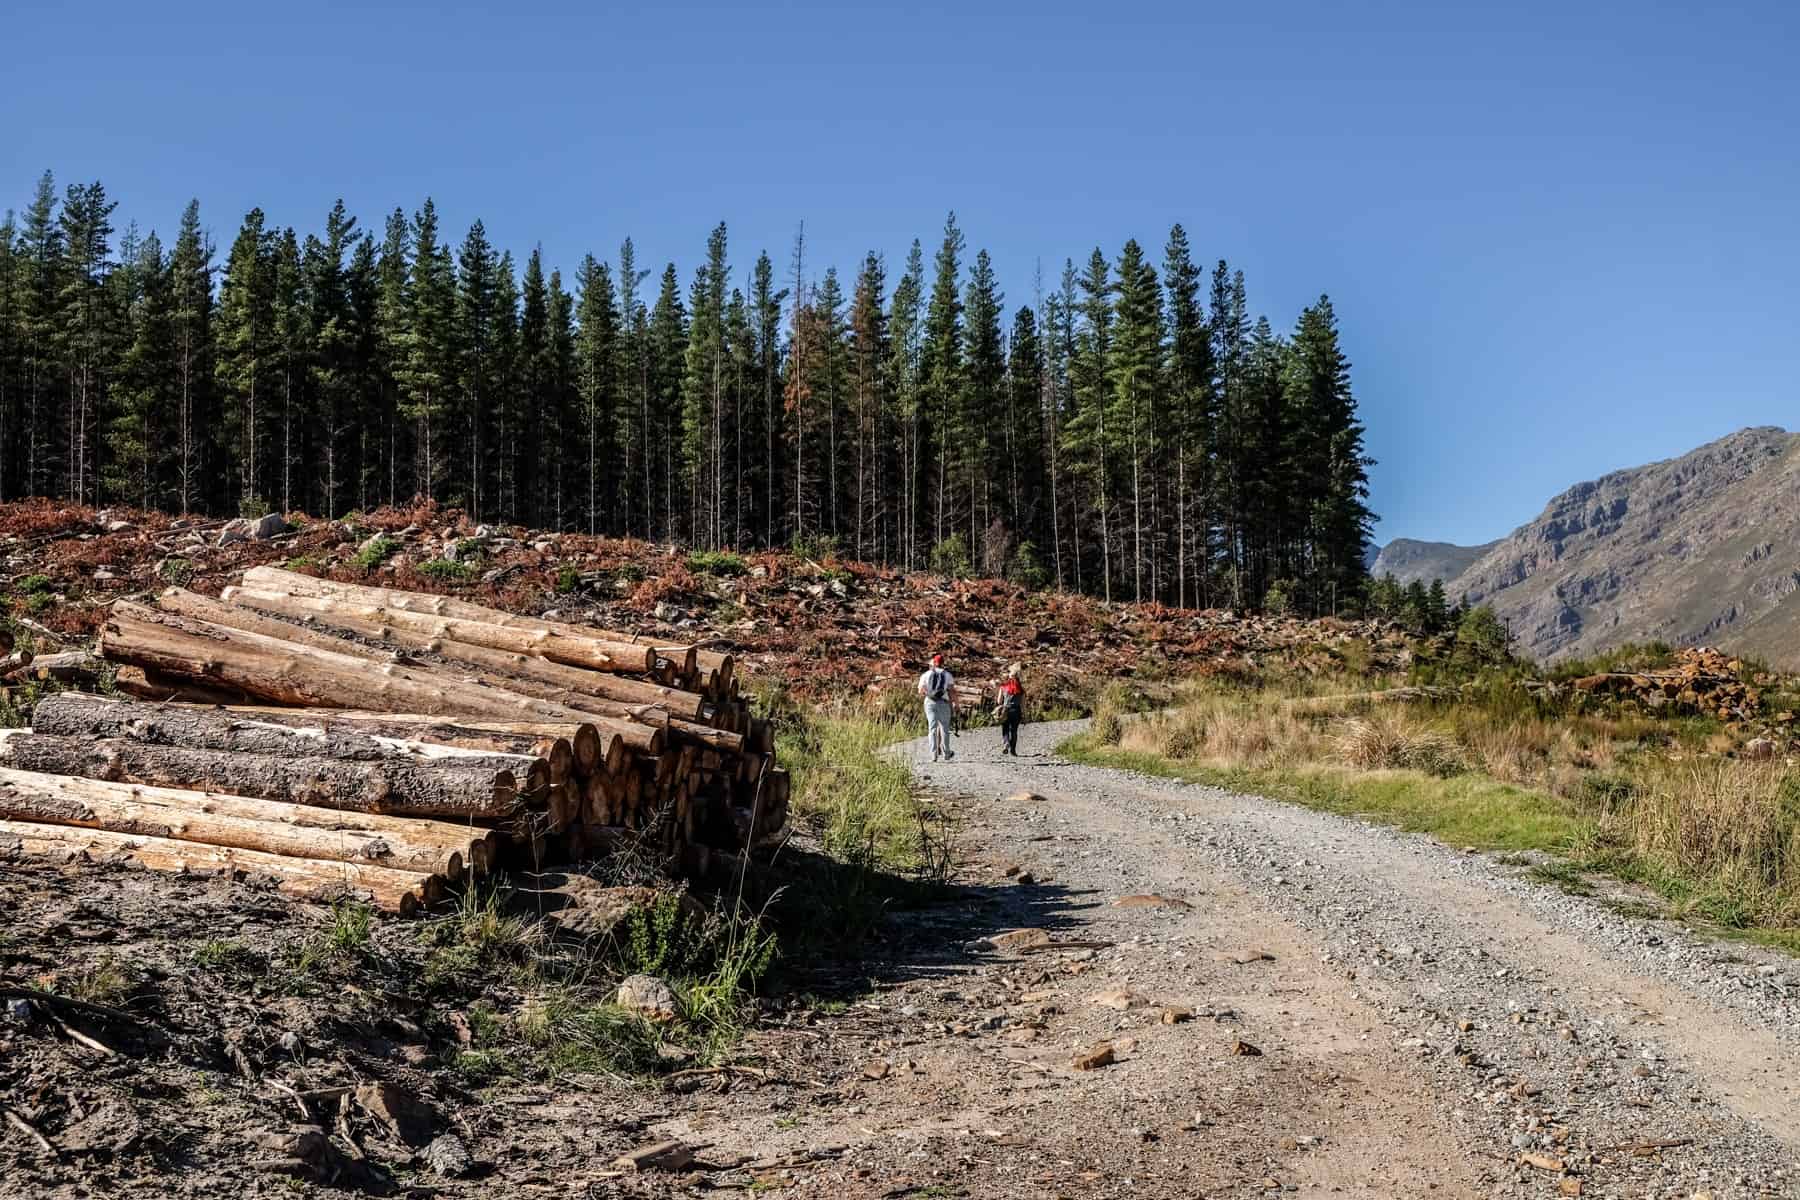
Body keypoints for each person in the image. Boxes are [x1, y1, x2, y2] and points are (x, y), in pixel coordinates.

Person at [917, 653, 956, 762]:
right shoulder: (947, 675)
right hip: (943, 702)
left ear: (934, 663)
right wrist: (956, 704)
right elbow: (952, 691)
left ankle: (934, 754)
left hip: (930, 702)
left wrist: (929, 694)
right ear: (942, 663)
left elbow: (920, 690)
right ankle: (946, 753)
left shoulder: (925, 674)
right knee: (944, 729)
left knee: (932, 728)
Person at [996, 663, 1024, 756]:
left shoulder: (1003, 687)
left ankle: (1006, 742)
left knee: (1005, 728)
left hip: (1006, 710)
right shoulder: (1021, 689)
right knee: (1014, 730)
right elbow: (1023, 703)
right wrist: (1024, 714)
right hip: (1016, 710)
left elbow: (999, 701)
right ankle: (1013, 750)